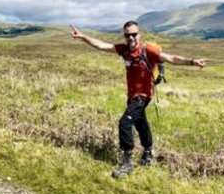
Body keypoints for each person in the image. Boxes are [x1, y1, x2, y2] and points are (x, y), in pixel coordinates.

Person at [69, 20, 208, 178]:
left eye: (134, 34)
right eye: (127, 35)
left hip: (143, 96)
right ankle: (148, 152)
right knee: (141, 123)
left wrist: (192, 62)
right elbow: (101, 45)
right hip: (132, 95)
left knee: (125, 122)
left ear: (139, 34)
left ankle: (127, 162)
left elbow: (171, 58)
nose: (131, 38)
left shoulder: (148, 50)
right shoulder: (124, 50)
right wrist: (82, 36)